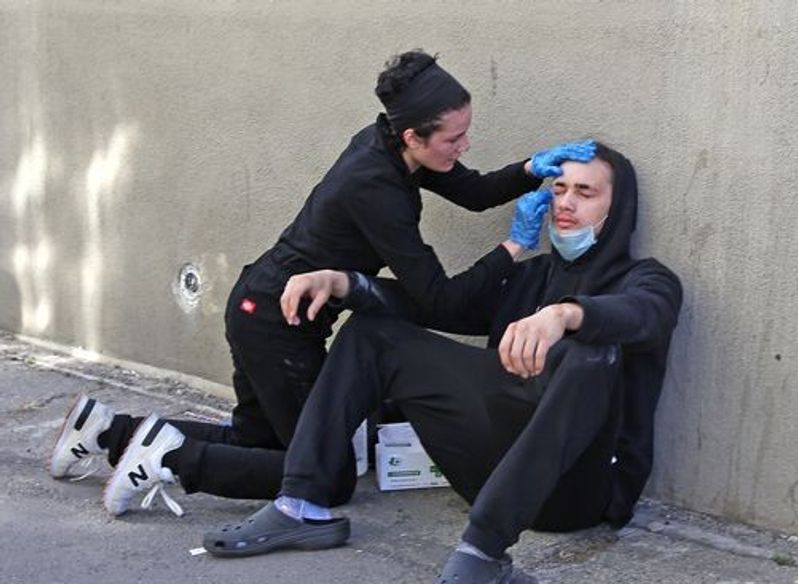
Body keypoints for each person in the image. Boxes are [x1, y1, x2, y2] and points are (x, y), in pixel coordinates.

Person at [47, 49, 596, 516]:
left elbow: (473, 192)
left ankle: (107, 431)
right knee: (326, 476)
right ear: (414, 135)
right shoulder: (377, 190)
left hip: (261, 305)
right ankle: (170, 459)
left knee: (257, 440)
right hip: (277, 324)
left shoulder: (390, 145)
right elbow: (437, 299)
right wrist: (513, 247)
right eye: (455, 137)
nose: (465, 145)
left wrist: (532, 168)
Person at [202, 144, 682, 584]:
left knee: (590, 353)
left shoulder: (648, 280)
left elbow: (645, 314)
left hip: (575, 494)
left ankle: (484, 551)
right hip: (489, 469)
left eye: (585, 192)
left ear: (617, 208)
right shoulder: (531, 277)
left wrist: (566, 315)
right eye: (558, 189)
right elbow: (439, 306)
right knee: (372, 334)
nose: (566, 202)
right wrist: (347, 282)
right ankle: (301, 502)